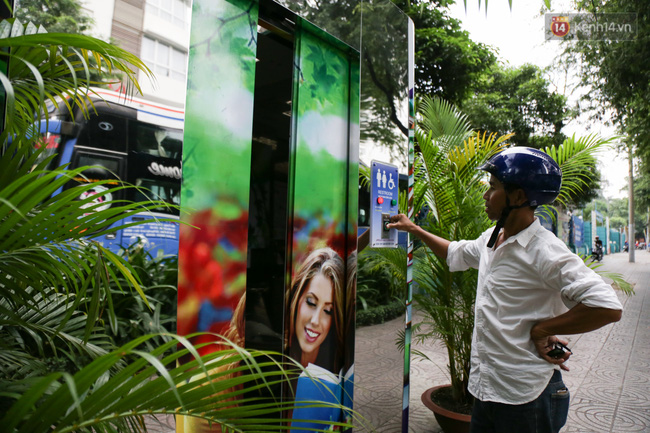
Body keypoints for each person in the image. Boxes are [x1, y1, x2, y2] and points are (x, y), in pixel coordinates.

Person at [387, 147, 623, 433]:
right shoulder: (492, 238)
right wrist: (414, 229)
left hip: (526, 399)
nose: (486, 196)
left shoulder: (544, 251)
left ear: (519, 196)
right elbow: (455, 254)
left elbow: (608, 306)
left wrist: (543, 329)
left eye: (493, 188)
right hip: (486, 391)